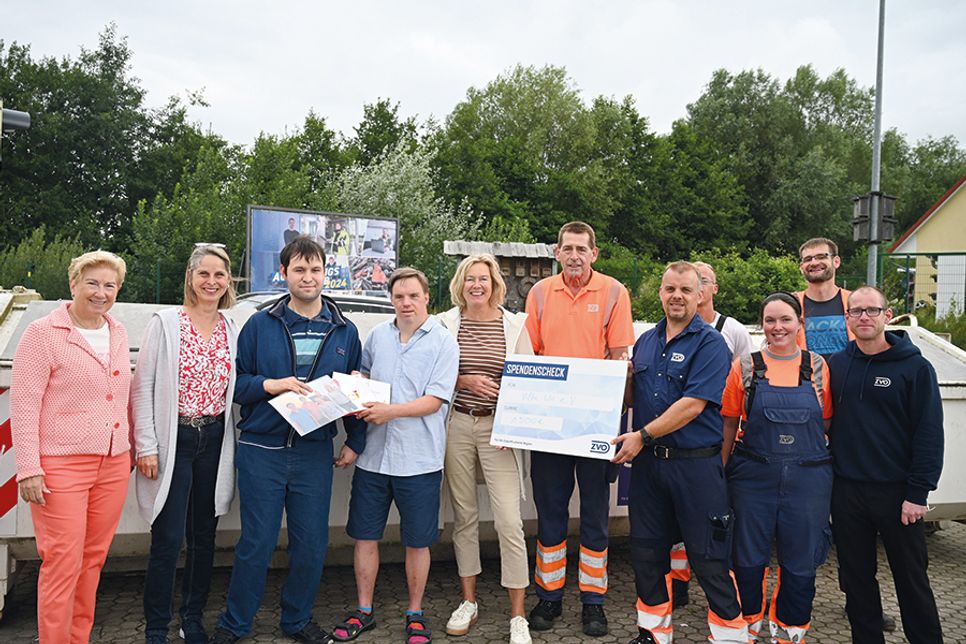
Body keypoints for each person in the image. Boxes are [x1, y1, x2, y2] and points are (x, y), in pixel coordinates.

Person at [210, 236, 366, 644]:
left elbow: (354, 392)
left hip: (314, 451)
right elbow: (237, 385)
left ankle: (296, 621)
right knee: (256, 544)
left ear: (324, 273)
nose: (308, 277)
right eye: (299, 269)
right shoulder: (260, 324)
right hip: (262, 450)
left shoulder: (345, 331)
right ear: (284, 274)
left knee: (311, 546)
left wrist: (356, 439)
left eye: (315, 270)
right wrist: (271, 385)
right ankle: (235, 624)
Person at [612, 261, 748, 644]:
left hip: (696, 468)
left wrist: (642, 435)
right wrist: (620, 382)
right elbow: (630, 400)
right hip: (650, 470)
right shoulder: (646, 342)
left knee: (710, 559)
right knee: (646, 554)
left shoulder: (710, 344)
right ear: (660, 293)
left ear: (699, 295)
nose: (677, 296)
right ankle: (654, 634)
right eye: (670, 289)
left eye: (686, 290)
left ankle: (730, 637)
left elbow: (693, 404)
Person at [10, 250, 132, 644]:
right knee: (62, 562)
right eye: (92, 283)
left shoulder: (118, 331)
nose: (100, 292)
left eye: (109, 285)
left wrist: (127, 445)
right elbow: (24, 403)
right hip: (60, 466)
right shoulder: (43, 333)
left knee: (92, 561)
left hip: (113, 463)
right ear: (73, 284)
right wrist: (28, 468)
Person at [333, 268, 458, 644]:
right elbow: (366, 378)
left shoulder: (443, 342)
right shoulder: (377, 336)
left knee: (417, 541)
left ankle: (415, 613)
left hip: (419, 460)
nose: (405, 303)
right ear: (391, 299)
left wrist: (390, 411)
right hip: (374, 458)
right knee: (365, 537)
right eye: (399, 296)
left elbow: (435, 400)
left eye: (413, 296)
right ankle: (364, 610)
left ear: (426, 299)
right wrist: (355, 386)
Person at [523, 221, 635, 637]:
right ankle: (548, 597)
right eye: (567, 248)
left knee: (594, 515)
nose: (573, 255)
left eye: (580, 249)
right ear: (557, 253)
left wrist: (608, 412)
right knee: (550, 512)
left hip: (595, 424)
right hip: (549, 425)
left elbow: (620, 356)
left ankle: (593, 601)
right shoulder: (538, 294)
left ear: (594, 253)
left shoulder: (612, 292)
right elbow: (530, 358)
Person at [133, 245, 240, 644]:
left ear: (228, 280)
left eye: (219, 275)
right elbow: (142, 385)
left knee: (204, 535)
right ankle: (157, 626)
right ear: (191, 278)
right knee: (167, 538)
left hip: (213, 439)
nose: (211, 282)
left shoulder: (232, 327)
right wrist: (146, 444)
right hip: (173, 440)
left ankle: (192, 619)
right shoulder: (166, 323)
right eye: (204, 274)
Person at [828, 286, 944, 644]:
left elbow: (929, 434)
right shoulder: (836, 365)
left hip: (898, 496)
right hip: (846, 491)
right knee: (856, 580)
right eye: (856, 311)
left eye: (872, 311)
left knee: (911, 579)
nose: (864, 317)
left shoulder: (916, 368)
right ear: (847, 319)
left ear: (887, 316)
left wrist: (917, 493)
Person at [720, 293, 833, 643]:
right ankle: (748, 628)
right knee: (747, 562)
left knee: (800, 566)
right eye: (770, 320)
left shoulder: (817, 367)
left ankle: (789, 633)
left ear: (800, 323)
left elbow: (824, 423)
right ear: (761, 325)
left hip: (807, 481)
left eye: (786, 319)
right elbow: (728, 424)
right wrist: (720, 474)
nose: (778, 327)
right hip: (753, 478)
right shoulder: (746, 366)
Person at [437, 254, 534, 644]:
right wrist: (465, 380)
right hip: (458, 422)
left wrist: (516, 425)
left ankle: (517, 615)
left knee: (510, 519)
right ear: (460, 284)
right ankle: (469, 602)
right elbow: (435, 372)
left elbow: (528, 379)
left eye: (484, 278)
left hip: (501, 429)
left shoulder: (515, 325)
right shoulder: (445, 324)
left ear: (496, 284)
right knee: (464, 516)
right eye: (470, 278)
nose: (477, 285)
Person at [669, 261, 754, 608]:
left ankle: (723, 604)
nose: (691, 289)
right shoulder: (664, 334)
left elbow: (748, 384)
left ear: (709, 289)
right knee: (674, 530)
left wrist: (728, 448)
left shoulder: (729, 331)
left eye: (702, 282)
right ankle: (679, 588)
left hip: (711, 445)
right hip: (673, 448)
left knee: (710, 530)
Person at [794, 238, 854, 357]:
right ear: (801, 267)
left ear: (836, 262)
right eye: (807, 259)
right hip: (806, 374)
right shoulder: (792, 304)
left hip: (850, 374)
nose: (814, 263)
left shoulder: (855, 302)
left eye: (821, 257)